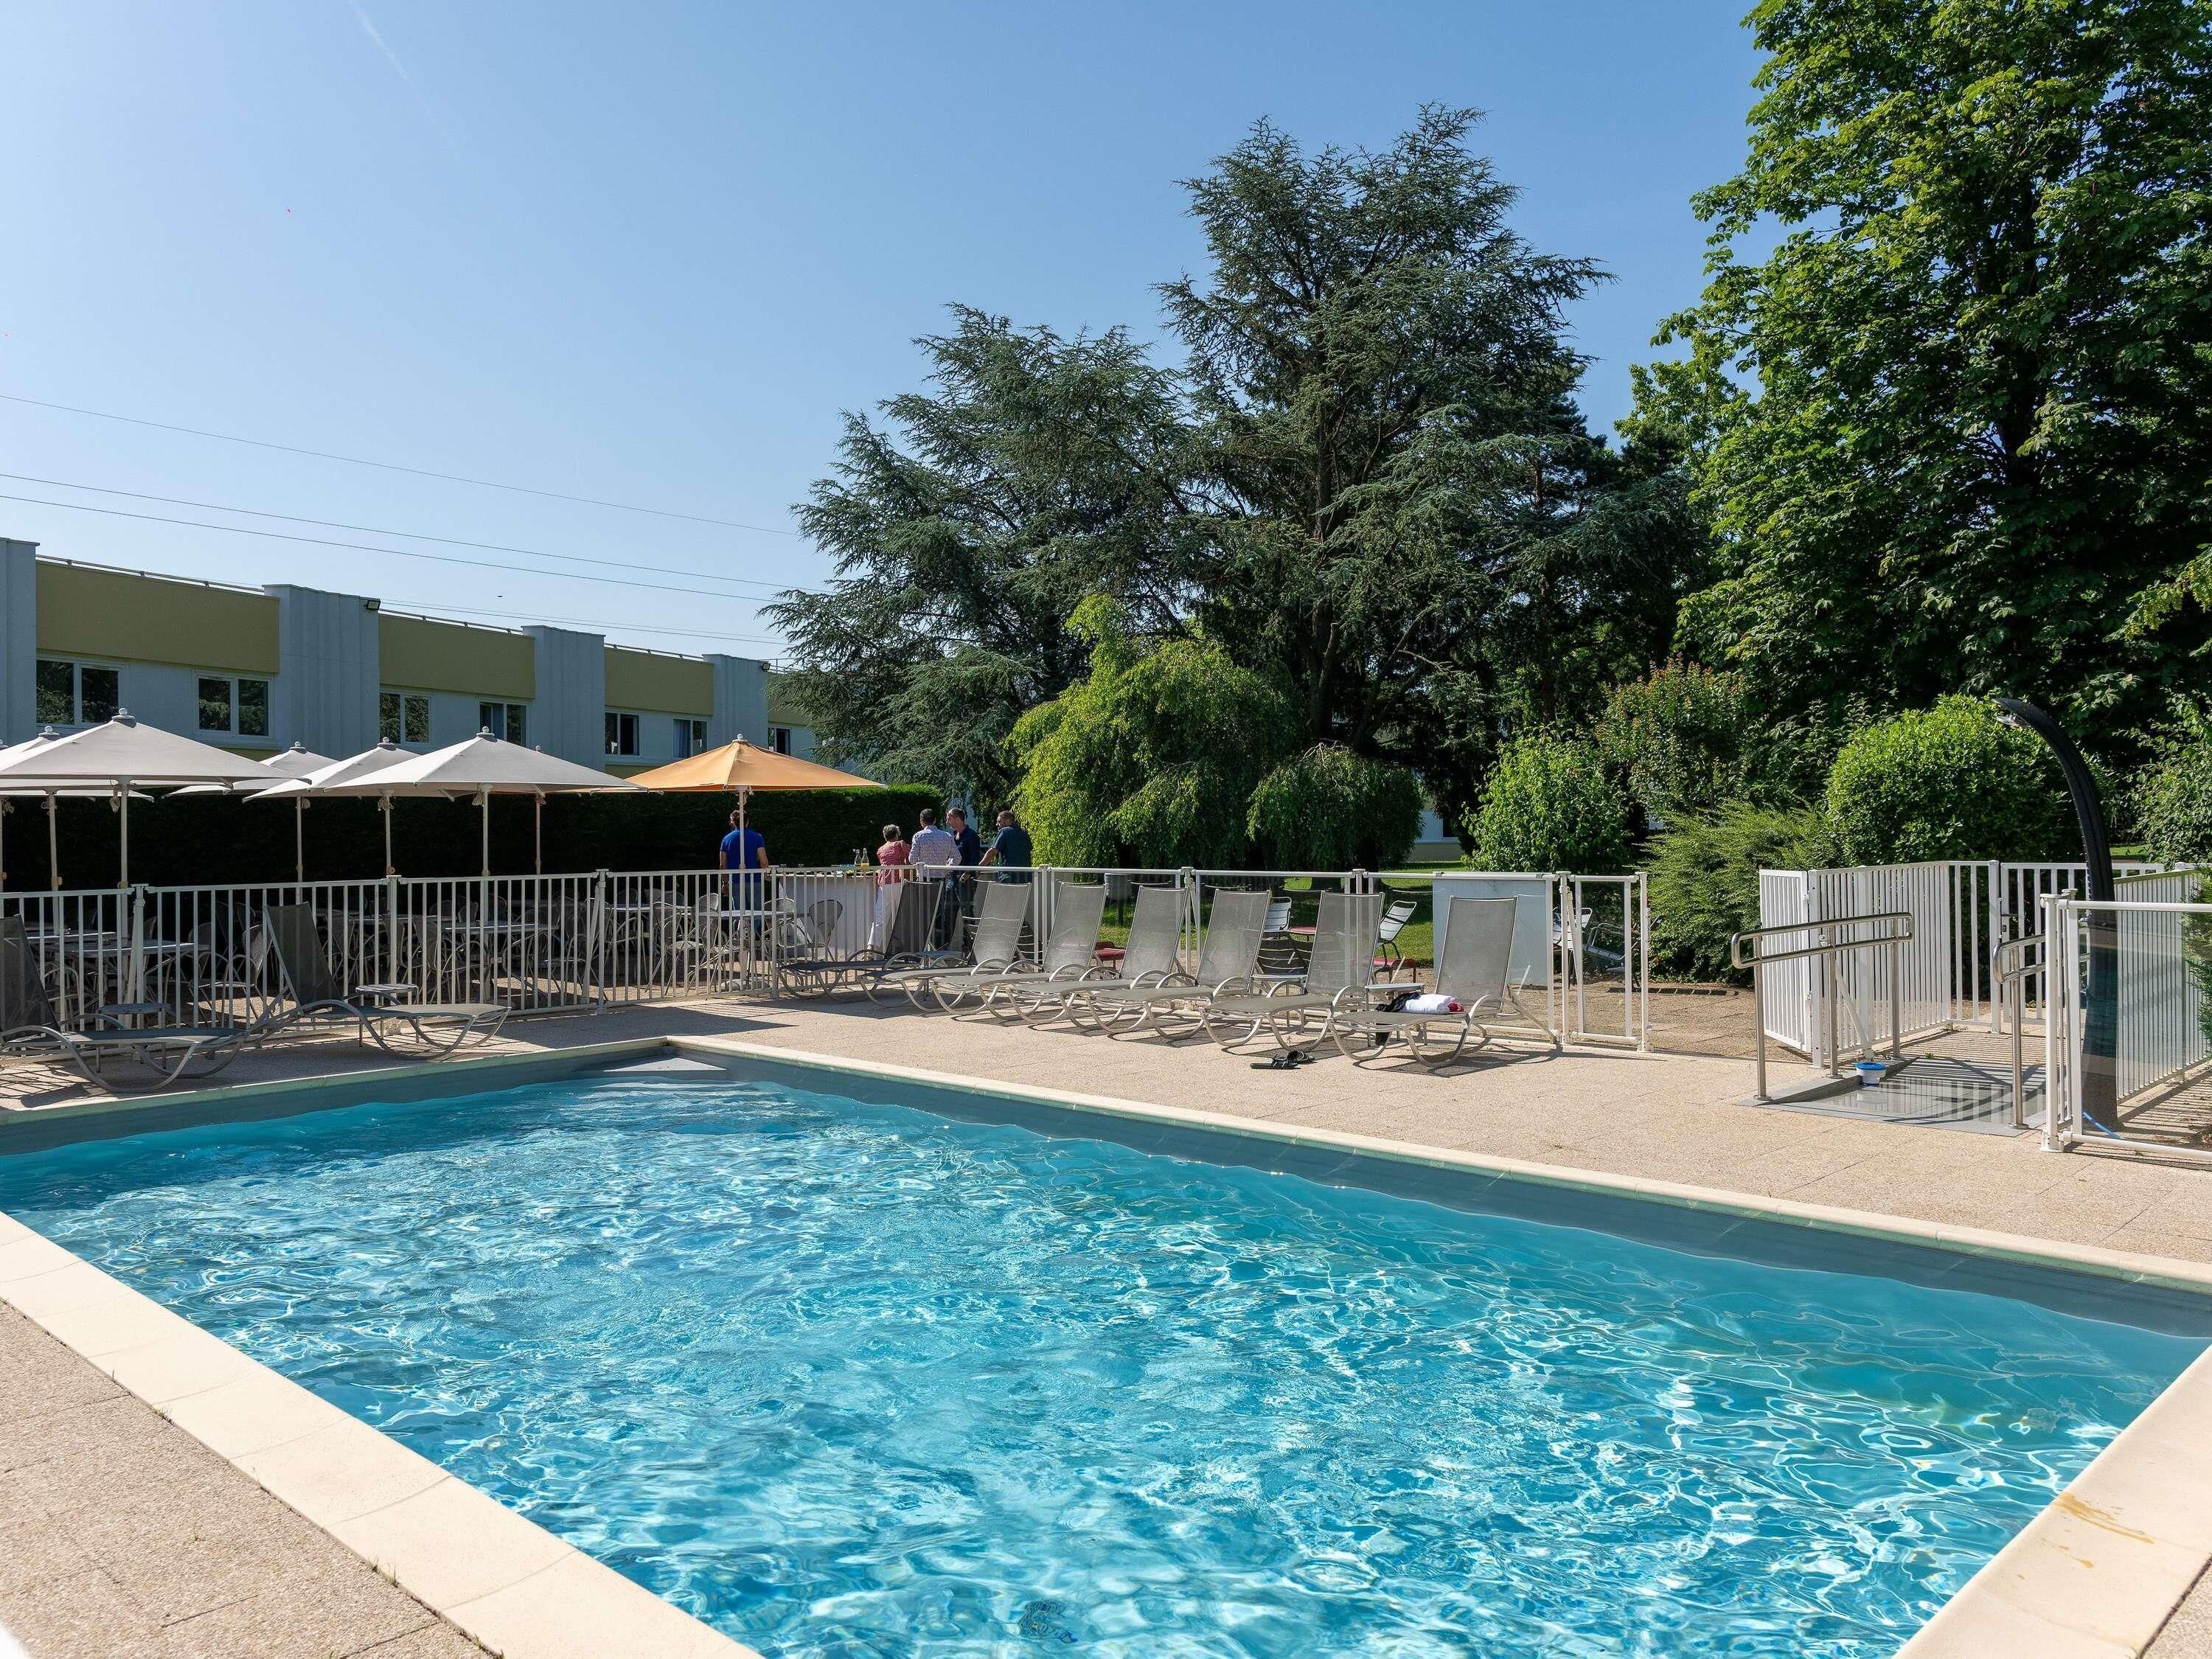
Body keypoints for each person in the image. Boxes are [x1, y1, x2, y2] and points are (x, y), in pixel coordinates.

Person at [908, 808, 959, 948]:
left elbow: (912, 859)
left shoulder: (919, 836)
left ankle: (924, 946)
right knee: (938, 913)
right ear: (935, 820)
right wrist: (947, 868)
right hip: (941, 880)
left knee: (924, 914)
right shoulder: (947, 836)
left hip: (924, 880)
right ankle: (937, 946)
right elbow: (957, 857)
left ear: (921, 821)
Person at [718, 811, 768, 908]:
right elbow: (764, 861)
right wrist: (765, 875)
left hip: (735, 880)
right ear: (747, 821)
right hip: (755, 879)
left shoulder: (726, 839)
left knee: (738, 913)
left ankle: (738, 924)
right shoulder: (757, 837)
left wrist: (725, 882)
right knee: (756, 913)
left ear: (732, 822)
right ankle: (755, 924)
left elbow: (722, 864)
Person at [980, 808, 1032, 883]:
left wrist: (977, 868)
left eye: (999, 822)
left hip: (1008, 878)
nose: (997, 824)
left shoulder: (1005, 831)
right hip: (1026, 879)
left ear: (1007, 821)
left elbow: (992, 852)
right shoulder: (1025, 834)